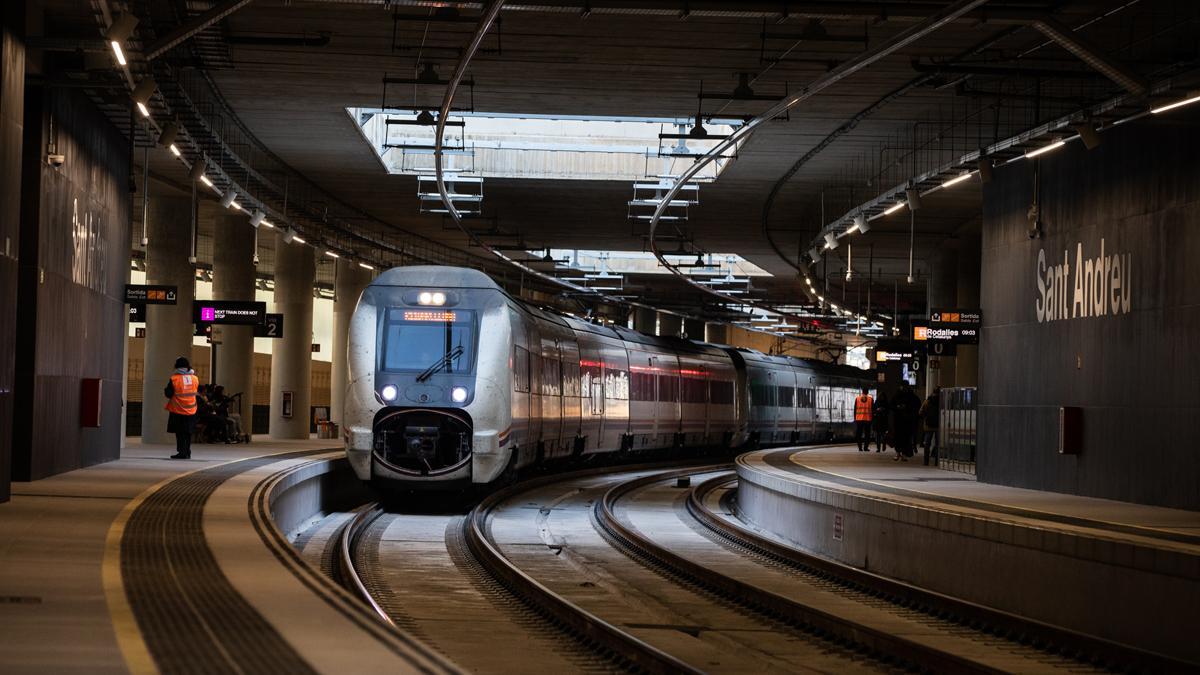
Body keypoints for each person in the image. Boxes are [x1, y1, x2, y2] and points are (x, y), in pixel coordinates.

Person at [164, 357, 199, 459]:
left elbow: (169, 394)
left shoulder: (175, 379)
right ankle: (187, 451)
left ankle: (181, 452)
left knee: (180, 432)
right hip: (192, 409)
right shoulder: (195, 378)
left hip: (178, 409)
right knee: (188, 432)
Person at [890, 383, 921, 462]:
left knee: (905, 438)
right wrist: (898, 407)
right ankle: (899, 453)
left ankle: (902, 454)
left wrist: (906, 408)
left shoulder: (910, 396)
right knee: (899, 438)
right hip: (899, 421)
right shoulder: (898, 396)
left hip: (906, 421)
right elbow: (891, 406)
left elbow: (916, 406)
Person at [920, 388, 941, 466]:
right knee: (938, 444)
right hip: (938, 426)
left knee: (927, 444)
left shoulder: (927, 401)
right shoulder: (942, 401)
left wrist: (925, 417)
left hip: (928, 425)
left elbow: (920, 412)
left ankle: (926, 461)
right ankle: (937, 462)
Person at [853, 387, 874, 452]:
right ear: (867, 392)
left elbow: (855, 409)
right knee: (867, 434)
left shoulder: (857, 398)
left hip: (859, 419)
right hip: (868, 419)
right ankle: (865, 447)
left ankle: (860, 448)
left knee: (859, 434)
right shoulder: (871, 399)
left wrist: (855, 418)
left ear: (862, 392)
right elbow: (873, 410)